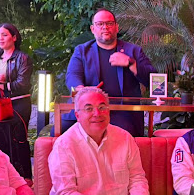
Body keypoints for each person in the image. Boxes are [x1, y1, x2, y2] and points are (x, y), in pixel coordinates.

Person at [64, 9, 155, 137]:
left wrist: (131, 63)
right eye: (100, 24)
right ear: (93, 29)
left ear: (116, 27)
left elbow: (154, 80)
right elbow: (72, 75)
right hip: (88, 109)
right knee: (58, 131)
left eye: (109, 23)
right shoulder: (82, 51)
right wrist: (80, 89)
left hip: (122, 112)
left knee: (123, 134)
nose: (105, 27)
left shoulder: (133, 51)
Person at [0, 23, 33, 180]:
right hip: (1, 102)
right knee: (1, 138)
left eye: (4, 35)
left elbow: (23, 84)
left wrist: (4, 84)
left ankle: (26, 176)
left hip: (19, 102)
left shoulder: (22, 57)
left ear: (14, 37)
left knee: (19, 138)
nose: (0, 38)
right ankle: (5, 175)